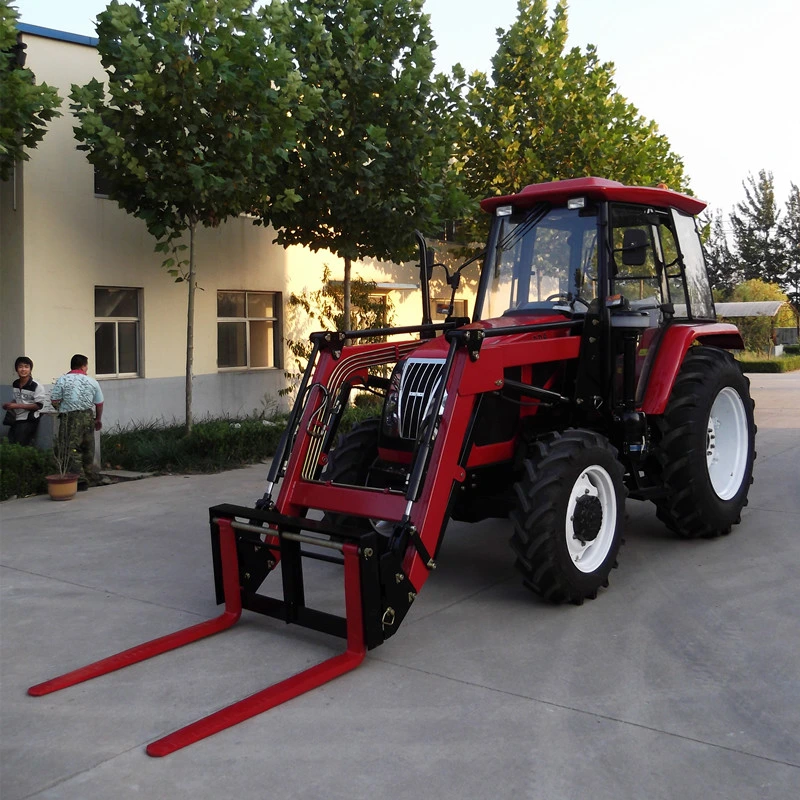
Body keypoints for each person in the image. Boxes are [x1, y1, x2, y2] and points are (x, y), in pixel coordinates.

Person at [50, 354, 105, 490]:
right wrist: (98, 419)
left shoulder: (62, 380)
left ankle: (79, 478)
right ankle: (89, 475)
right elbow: (99, 403)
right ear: (83, 366)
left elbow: (54, 401)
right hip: (87, 415)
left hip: (70, 417)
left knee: (71, 447)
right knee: (88, 446)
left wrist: (61, 408)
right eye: (86, 366)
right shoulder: (92, 381)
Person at [2, 356, 46, 446]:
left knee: (20, 446)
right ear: (16, 369)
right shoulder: (15, 383)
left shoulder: (36, 386)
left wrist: (17, 406)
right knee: (11, 444)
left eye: (26, 367)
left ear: (30, 369)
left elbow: (38, 405)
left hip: (29, 420)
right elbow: (18, 399)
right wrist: (10, 405)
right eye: (20, 367)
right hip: (16, 419)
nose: (23, 369)